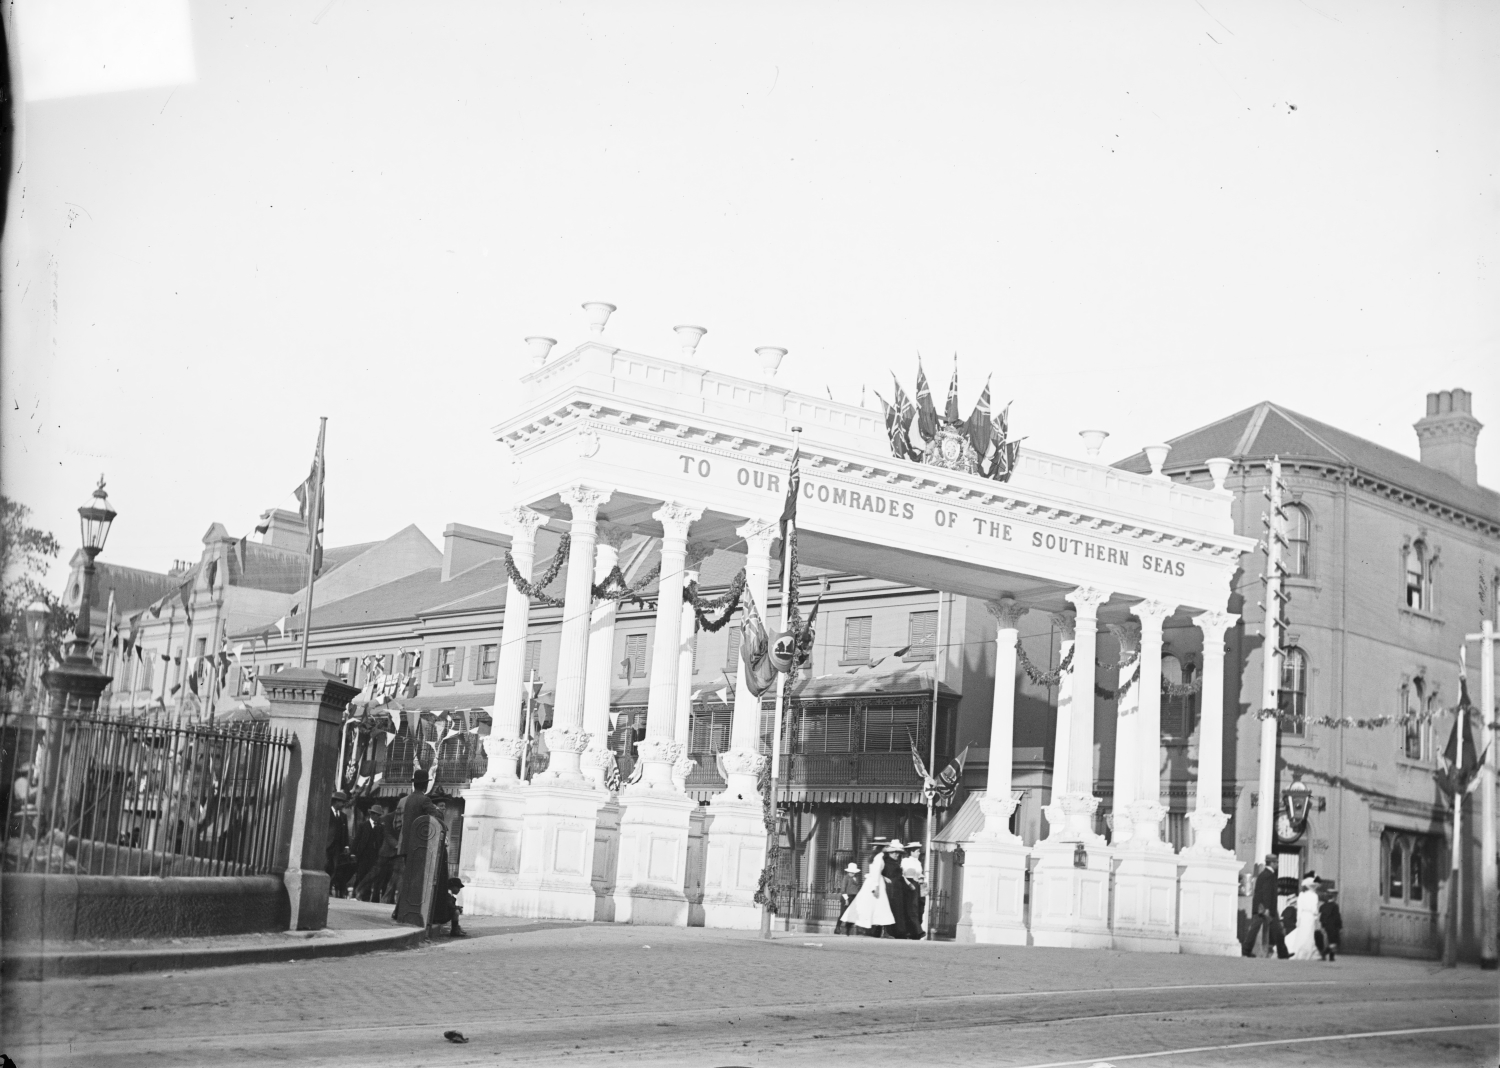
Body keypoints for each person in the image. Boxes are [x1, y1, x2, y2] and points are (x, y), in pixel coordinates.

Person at [392, 770, 442, 921]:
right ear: (426, 785)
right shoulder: (425, 800)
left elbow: (396, 825)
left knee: (407, 878)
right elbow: (437, 817)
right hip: (419, 846)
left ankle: (398, 910)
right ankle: (407, 911)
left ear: (414, 784)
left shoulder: (403, 801)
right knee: (416, 880)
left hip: (404, 846)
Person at [1240, 855, 1290, 959]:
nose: (1277, 864)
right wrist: (1267, 908)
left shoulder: (1264, 874)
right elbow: (1266, 892)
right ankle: (1282, 953)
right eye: (1276, 862)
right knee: (1277, 931)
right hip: (1266, 909)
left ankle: (1246, 950)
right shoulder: (1269, 875)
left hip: (1262, 908)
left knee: (1256, 929)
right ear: (1271, 863)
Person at [838, 849, 895, 935]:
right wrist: (875, 886)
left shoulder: (878, 857)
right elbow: (875, 872)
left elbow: (876, 872)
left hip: (876, 882)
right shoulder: (878, 857)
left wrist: (883, 878)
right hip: (875, 884)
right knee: (873, 906)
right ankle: (849, 924)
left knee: (878, 907)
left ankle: (880, 931)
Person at [349, 802, 385, 898]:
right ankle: (355, 894)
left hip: (373, 855)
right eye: (377, 815)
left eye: (379, 815)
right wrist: (353, 852)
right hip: (363, 854)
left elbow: (380, 841)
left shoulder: (380, 828)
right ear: (372, 814)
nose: (378, 817)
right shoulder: (363, 825)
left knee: (370, 876)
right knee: (361, 874)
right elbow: (357, 839)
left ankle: (365, 896)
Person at [1285, 876, 1322, 960]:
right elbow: (1314, 909)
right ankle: (1308, 953)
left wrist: (1298, 920)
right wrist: (1316, 916)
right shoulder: (1314, 896)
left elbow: (1299, 909)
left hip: (1303, 916)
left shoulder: (1301, 895)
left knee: (1301, 934)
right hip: (1310, 916)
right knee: (1309, 934)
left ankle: (1298, 951)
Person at [881, 839, 912, 939]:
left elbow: (901, 876)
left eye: (897, 852)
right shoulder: (884, 862)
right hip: (889, 889)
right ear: (889, 853)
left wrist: (908, 883)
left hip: (898, 889)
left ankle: (900, 931)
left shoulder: (897, 863)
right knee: (890, 909)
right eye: (893, 852)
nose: (896, 854)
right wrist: (884, 878)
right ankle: (889, 931)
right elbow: (878, 873)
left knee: (899, 910)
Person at [325, 791, 352, 897]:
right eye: (341, 802)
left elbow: (345, 833)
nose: (343, 805)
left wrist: (346, 846)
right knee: (326, 866)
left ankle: (328, 889)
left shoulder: (343, 816)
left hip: (337, 847)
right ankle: (325, 888)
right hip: (326, 846)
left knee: (334, 868)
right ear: (335, 802)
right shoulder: (327, 813)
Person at [901, 843, 927, 939]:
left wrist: (921, 879)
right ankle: (917, 931)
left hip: (918, 884)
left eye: (919, 851)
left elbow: (919, 873)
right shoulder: (905, 861)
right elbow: (903, 875)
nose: (919, 853)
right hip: (909, 885)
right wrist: (909, 883)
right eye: (917, 851)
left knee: (919, 907)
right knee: (912, 908)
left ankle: (914, 932)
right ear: (911, 852)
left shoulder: (918, 862)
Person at [835, 862, 863, 935]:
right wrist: (846, 899)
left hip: (854, 897)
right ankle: (837, 927)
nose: (853, 874)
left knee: (852, 913)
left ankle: (848, 930)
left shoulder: (857, 878)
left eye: (854, 872)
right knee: (843, 913)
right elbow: (843, 889)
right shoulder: (846, 878)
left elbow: (858, 888)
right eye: (851, 872)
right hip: (847, 897)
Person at [1318, 889, 1342, 961]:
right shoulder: (1335, 906)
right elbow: (1337, 917)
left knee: (1331, 941)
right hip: (1334, 926)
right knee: (1335, 942)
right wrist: (1340, 926)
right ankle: (1326, 954)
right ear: (1334, 897)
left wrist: (1323, 926)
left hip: (1327, 926)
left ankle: (1328, 955)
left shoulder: (1323, 906)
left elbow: (1321, 917)